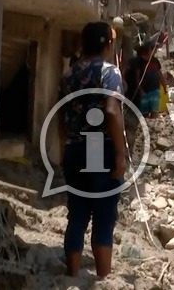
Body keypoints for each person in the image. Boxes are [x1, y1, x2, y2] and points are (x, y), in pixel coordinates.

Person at [59, 22, 126, 278]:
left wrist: (65, 146)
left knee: (77, 215)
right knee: (104, 218)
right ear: (107, 44)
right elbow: (112, 110)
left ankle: (72, 275)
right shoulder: (110, 73)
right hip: (100, 147)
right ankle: (103, 278)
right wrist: (120, 155)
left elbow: (60, 117)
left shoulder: (68, 75)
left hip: (74, 147)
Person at [129, 40, 168, 118]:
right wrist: (140, 90)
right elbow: (137, 77)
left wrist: (164, 86)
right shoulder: (138, 61)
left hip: (154, 89)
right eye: (154, 48)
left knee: (154, 110)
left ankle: (154, 126)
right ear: (149, 49)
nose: (156, 50)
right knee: (144, 112)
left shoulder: (155, 61)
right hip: (144, 90)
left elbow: (159, 74)